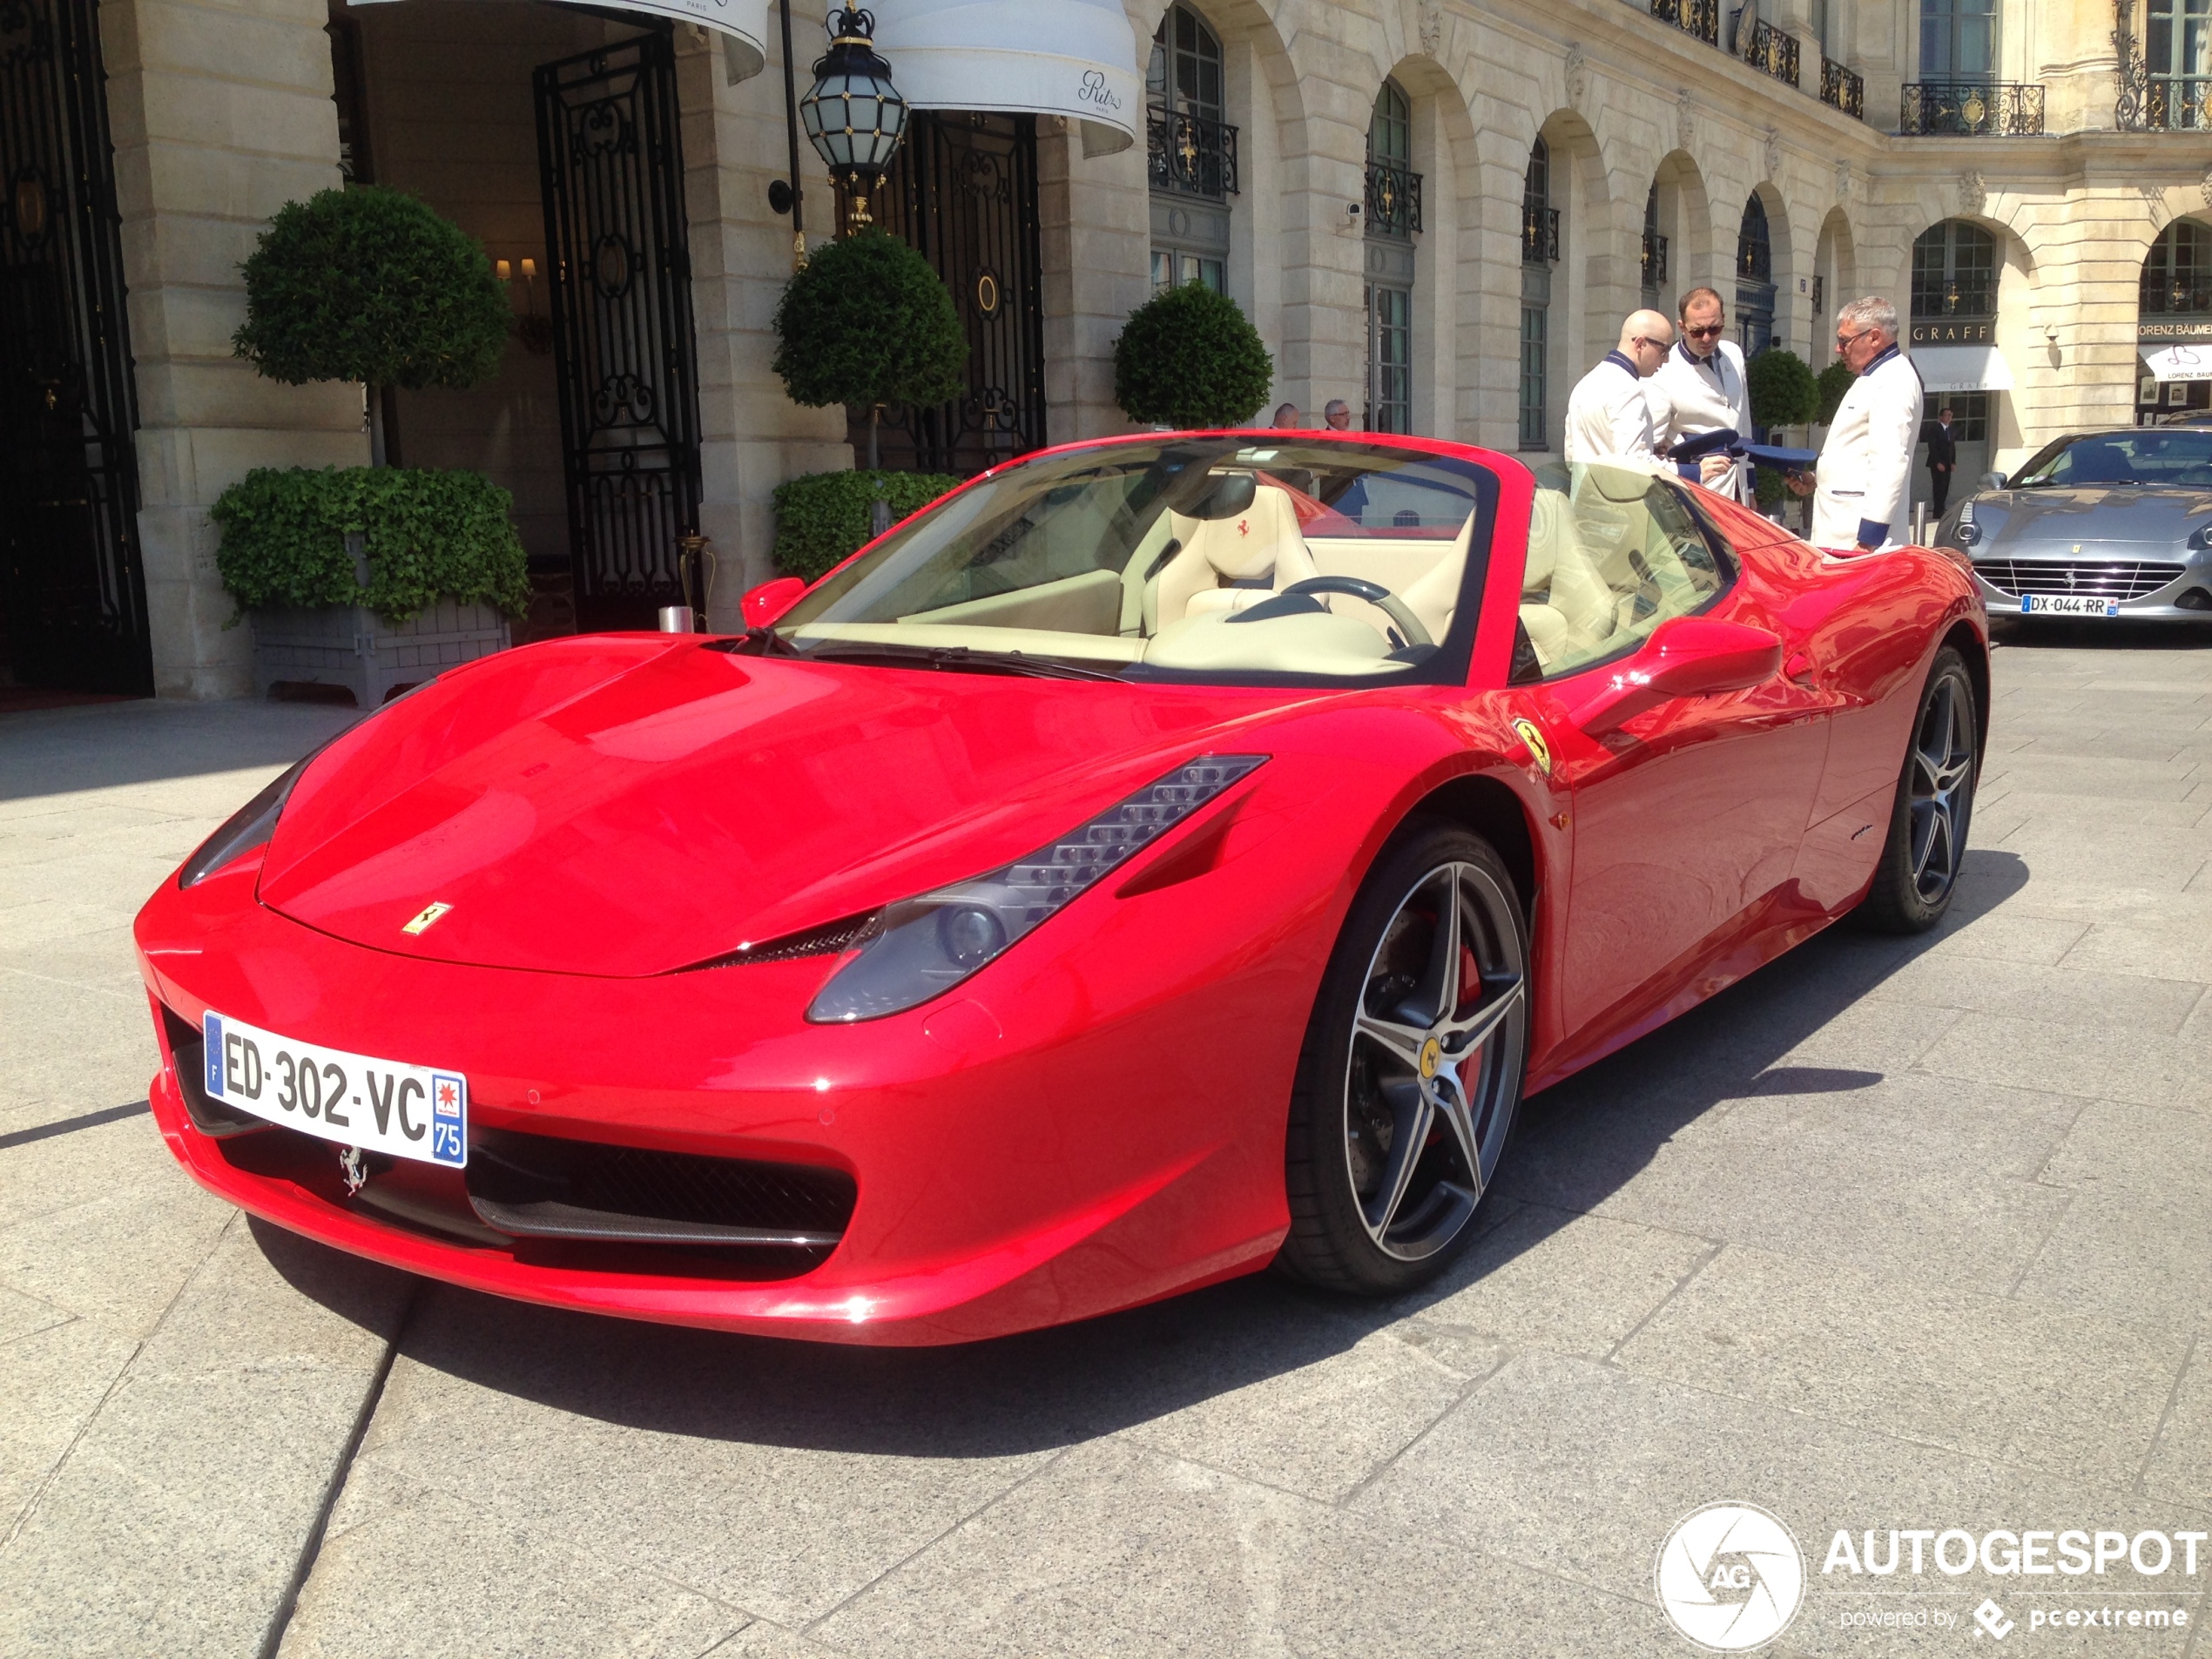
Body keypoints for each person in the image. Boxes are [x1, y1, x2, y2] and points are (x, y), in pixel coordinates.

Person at [1791, 296, 1923, 552]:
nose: (1838, 349)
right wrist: (1816, 479)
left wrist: (1868, 539)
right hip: (1843, 534)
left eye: (1844, 341)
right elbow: (1858, 452)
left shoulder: (1893, 380)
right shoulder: (1874, 375)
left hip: (1858, 543)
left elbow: (1889, 461)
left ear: (1874, 337)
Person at [1645, 286, 1754, 502]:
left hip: (1736, 489)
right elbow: (1650, 448)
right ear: (1682, 327)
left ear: (1723, 320)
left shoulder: (1734, 354)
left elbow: (1743, 421)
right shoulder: (1663, 372)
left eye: (1714, 329)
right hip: (1694, 494)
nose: (1706, 338)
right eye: (1697, 331)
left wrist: (1750, 487)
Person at [1563, 310, 1676, 464]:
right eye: (1664, 350)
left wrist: (1651, 450)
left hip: (1584, 485)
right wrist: (1690, 471)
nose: (1667, 360)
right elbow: (1635, 462)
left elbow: (1571, 453)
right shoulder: (1628, 390)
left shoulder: (1585, 383)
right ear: (1640, 344)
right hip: (1616, 487)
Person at [1926, 405, 1957, 516]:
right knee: (1938, 486)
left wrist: (1953, 462)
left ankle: (1942, 508)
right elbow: (1932, 447)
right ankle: (1937, 510)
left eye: (1950, 415)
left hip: (1948, 462)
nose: (1949, 417)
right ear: (1941, 417)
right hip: (1937, 463)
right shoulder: (1935, 429)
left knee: (1945, 487)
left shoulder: (1951, 429)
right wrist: (1938, 462)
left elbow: (1952, 447)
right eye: (1946, 415)